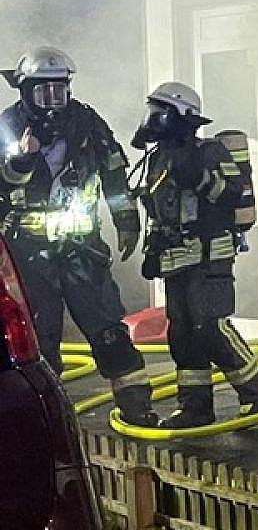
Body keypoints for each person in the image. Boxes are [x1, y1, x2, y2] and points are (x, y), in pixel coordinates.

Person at [0, 47, 158, 426]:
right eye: (44, 93)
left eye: (60, 91)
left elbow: (114, 173)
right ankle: (47, 422)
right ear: (26, 92)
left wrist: (126, 221)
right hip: (29, 254)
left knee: (108, 328)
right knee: (39, 337)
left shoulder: (86, 123)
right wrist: (21, 160)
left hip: (82, 249)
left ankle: (138, 408)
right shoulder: (8, 126)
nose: (54, 101)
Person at [130, 81, 258, 428]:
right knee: (182, 334)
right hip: (175, 259)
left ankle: (255, 391)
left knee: (210, 327)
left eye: (160, 112)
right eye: (152, 112)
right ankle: (195, 408)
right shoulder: (156, 158)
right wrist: (151, 248)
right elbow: (159, 210)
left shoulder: (209, 152)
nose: (153, 119)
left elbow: (232, 194)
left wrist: (201, 178)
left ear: (182, 116)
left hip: (209, 256)